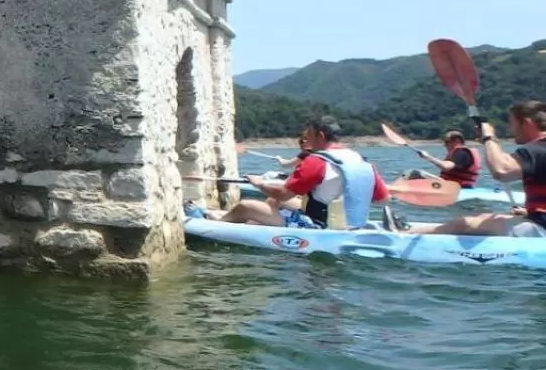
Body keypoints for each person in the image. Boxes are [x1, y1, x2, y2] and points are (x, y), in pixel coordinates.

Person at [198, 117, 389, 229]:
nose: (306, 141)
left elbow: (283, 193)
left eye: (309, 136)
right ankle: (260, 221)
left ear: (320, 136)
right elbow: (382, 200)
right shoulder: (363, 162)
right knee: (275, 202)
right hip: (353, 223)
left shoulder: (316, 161)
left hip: (318, 226)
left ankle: (222, 221)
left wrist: (259, 184)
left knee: (246, 205)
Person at [410, 101, 546, 237]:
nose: (511, 130)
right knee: (484, 217)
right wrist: (531, 212)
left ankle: (401, 233)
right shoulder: (538, 151)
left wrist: (489, 137)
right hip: (539, 218)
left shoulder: (536, 150)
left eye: (512, 124)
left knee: (463, 224)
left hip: (542, 226)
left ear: (527, 124)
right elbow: (507, 162)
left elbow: (502, 171)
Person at [404, 130, 481, 187]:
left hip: (455, 187)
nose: (445, 145)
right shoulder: (461, 153)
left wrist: (428, 157)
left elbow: (446, 167)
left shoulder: (462, 153)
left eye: (447, 142)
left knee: (415, 173)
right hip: (454, 185)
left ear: (457, 141)